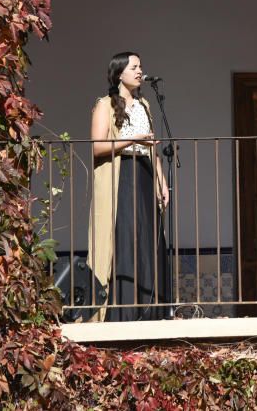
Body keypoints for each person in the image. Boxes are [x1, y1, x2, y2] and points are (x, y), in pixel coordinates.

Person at [88, 52, 172, 321]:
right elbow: (98, 147)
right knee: (124, 236)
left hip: (145, 173)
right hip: (121, 173)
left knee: (148, 237)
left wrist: (162, 181)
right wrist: (131, 139)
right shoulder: (105, 105)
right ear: (119, 74)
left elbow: (153, 148)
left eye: (140, 67)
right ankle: (122, 311)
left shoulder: (145, 104)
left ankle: (151, 310)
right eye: (133, 67)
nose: (139, 71)